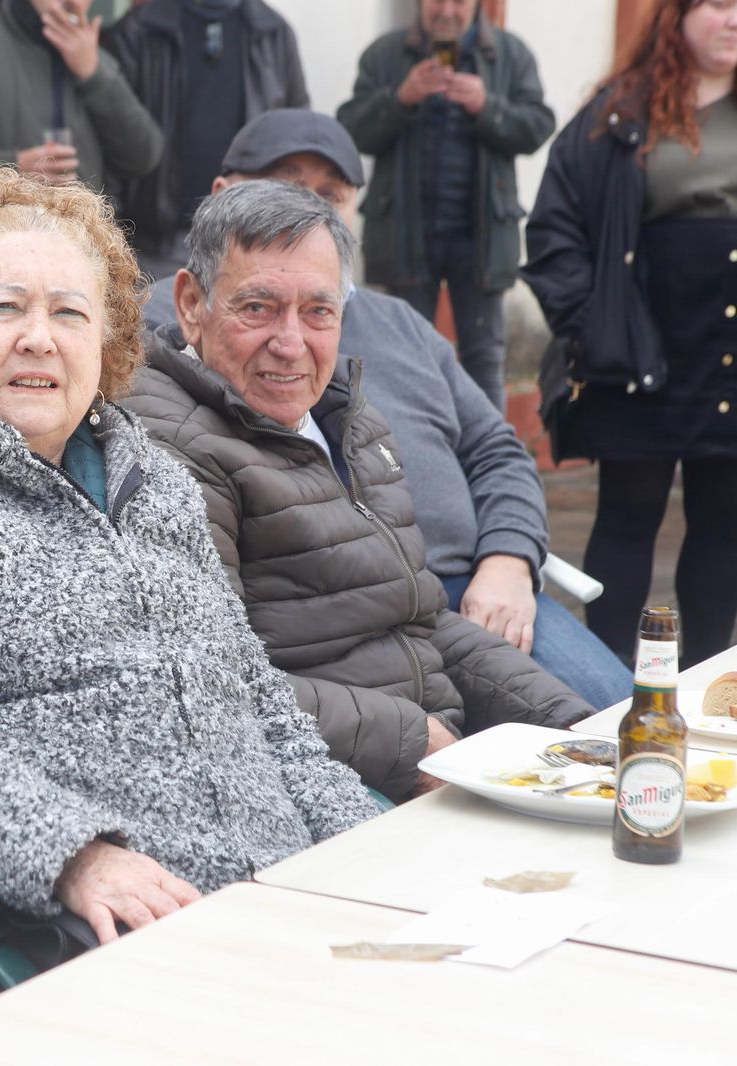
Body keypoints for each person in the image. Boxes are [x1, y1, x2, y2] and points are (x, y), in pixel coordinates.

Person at [0, 169, 379, 1046]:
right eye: (5, 308)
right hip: (46, 938)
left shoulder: (151, 478)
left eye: (70, 314)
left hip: (267, 904)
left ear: (111, 341)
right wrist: (70, 855)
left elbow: (260, 706)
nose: (39, 340)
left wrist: (367, 851)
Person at [125, 181, 592, 801]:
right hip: (312, 774)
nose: (291, 343)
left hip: (422, 741)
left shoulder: (344, 419)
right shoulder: (170, 444)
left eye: (318, 311)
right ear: (190, 304)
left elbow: (420, 623)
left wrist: (568, 727)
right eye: (258, 307)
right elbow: (214, 679)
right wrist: (419, 744)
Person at [205, 109, 631, 710]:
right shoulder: (194, 329)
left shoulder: (401, 323)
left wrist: (509, 557)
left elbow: (497, 450)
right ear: (223, 193)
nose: (309, 209)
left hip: (477, 589)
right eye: (285, 184)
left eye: (330, 195)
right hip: (334, 620)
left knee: (621, 720)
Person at [523, 0, 737, 667]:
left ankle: (707, 696)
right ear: (675, 15)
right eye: (720, 4)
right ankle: (609, 689)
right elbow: (555, 231)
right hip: (639, 350)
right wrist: (595, 329)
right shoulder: (619, 114)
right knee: (626, 517)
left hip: (729, 353)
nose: (735, 19)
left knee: (724, 527)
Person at [337, 0, 555, 413]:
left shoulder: (511, 54)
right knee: (402, 355)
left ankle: (489, 467)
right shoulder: (385, 54)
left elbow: (538, 127)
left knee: (484, 359)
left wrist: (487, 106)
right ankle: (405, 463)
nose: (448, 11)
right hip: (405, 232)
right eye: (437, 0)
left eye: (460, 1)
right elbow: (350, 132)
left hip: (481, 235)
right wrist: (400, 98)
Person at [104, 0, 308, 324]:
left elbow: (295, 135)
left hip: (249, 240)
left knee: (238, 353)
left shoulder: (272, 32)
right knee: (151, 358)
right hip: (155, 241)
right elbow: (111, 138)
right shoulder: (139, 29)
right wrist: (113, 230)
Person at [0, 0, 163, 193]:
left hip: (77, 243)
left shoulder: (94, 59)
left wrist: (94, 75)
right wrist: (11, 167)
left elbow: (143, 156)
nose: (75, 3)